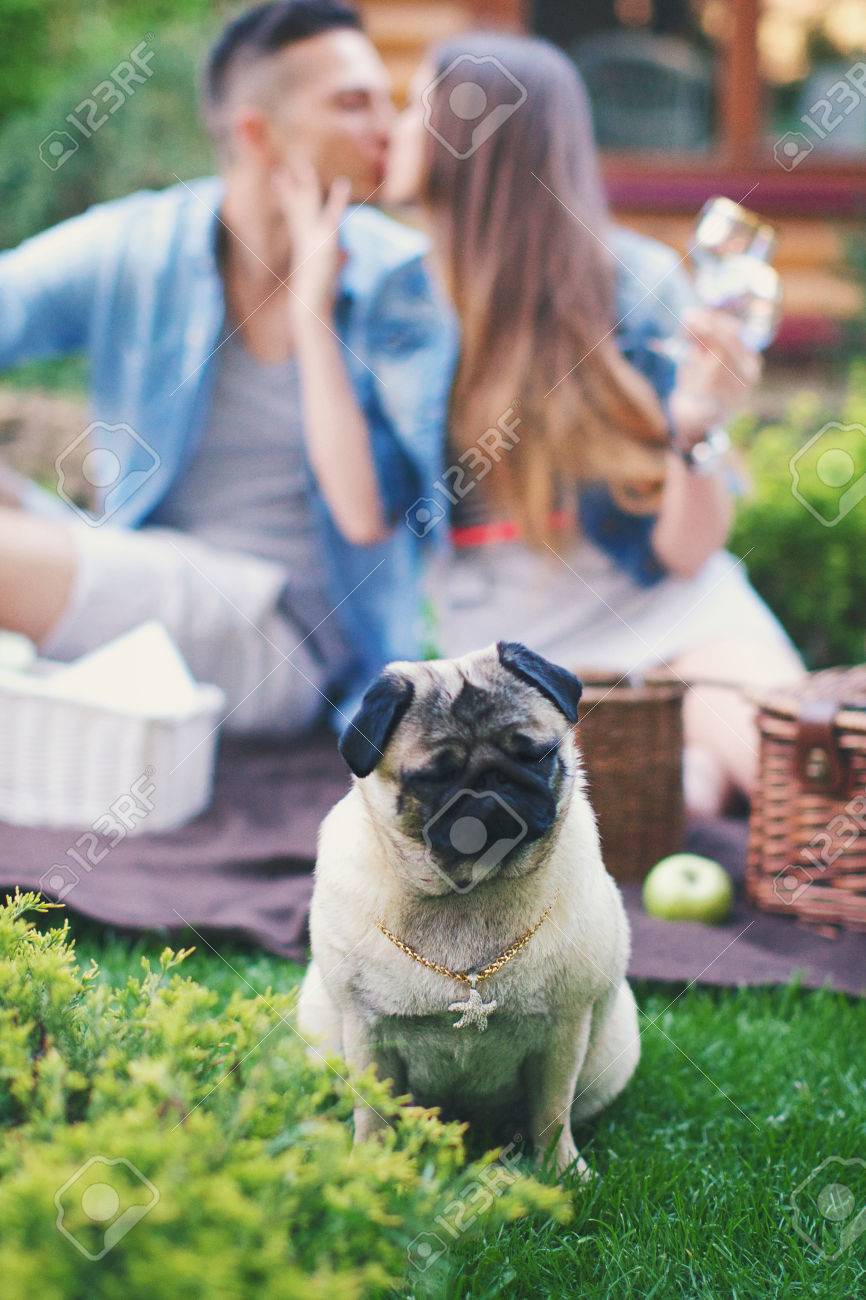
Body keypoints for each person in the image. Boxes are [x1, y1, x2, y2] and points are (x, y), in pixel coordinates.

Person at [0, 0, 456, 735]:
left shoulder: (398, 285)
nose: (388, 128)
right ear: (256, 132)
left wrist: (315, 311)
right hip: (147, 582)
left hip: (293, 637)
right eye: (352, 103)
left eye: (388, 102)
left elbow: (371, 517)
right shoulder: (143, 247)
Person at [384, 31, 803, 815]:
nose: (396, 126)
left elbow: (686, 553)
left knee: (808, 783)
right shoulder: (392, 305)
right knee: (637, 810)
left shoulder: (635, 285)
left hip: (674, 616)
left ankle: (690, 777)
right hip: (519, 663)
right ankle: (681, 783)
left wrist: (697, 427)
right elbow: (355, 507)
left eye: (415, 106)